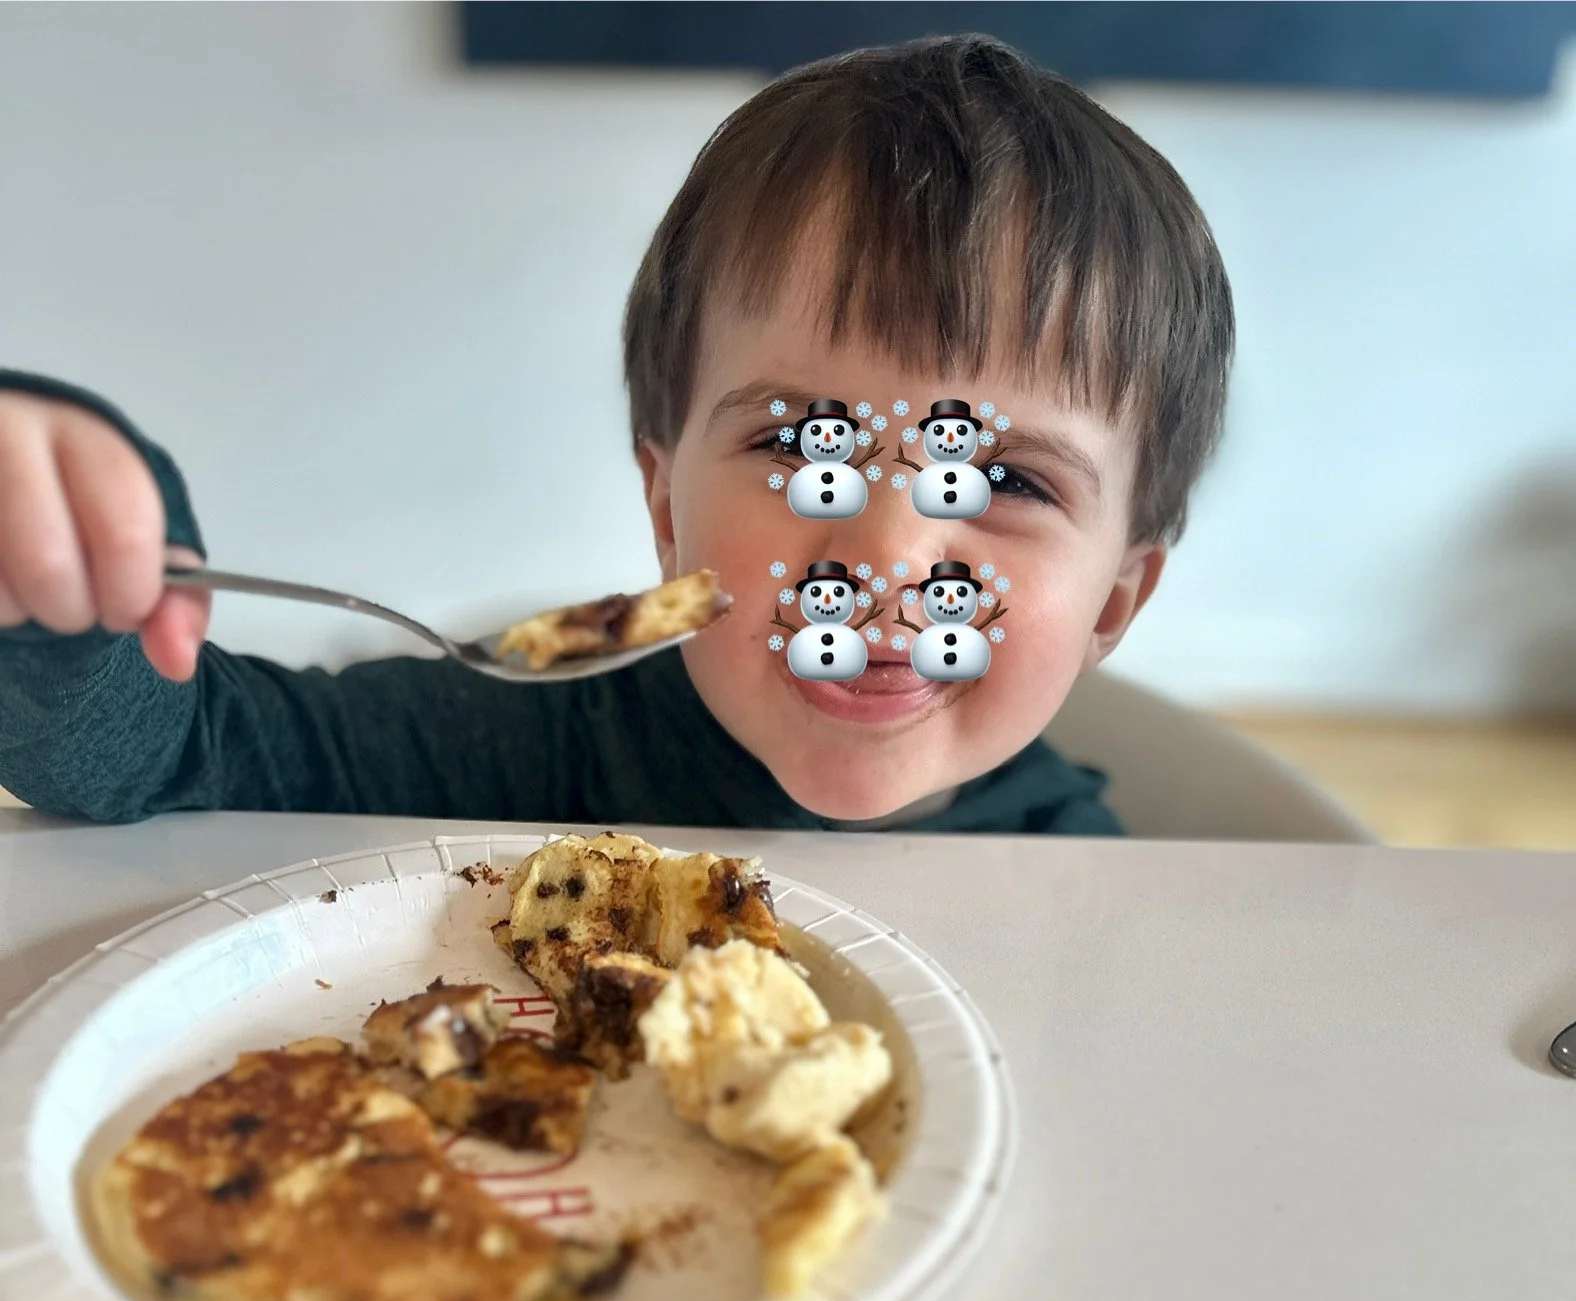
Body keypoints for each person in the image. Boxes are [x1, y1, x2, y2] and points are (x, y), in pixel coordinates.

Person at [0, 33, 1233, 835]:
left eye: (1002, 477)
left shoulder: (1085, 881)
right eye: (803, 450)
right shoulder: (515, 749)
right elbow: (155, 759)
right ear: (664, 508)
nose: (884, 560)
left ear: (1114, 603)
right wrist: (61, 571)